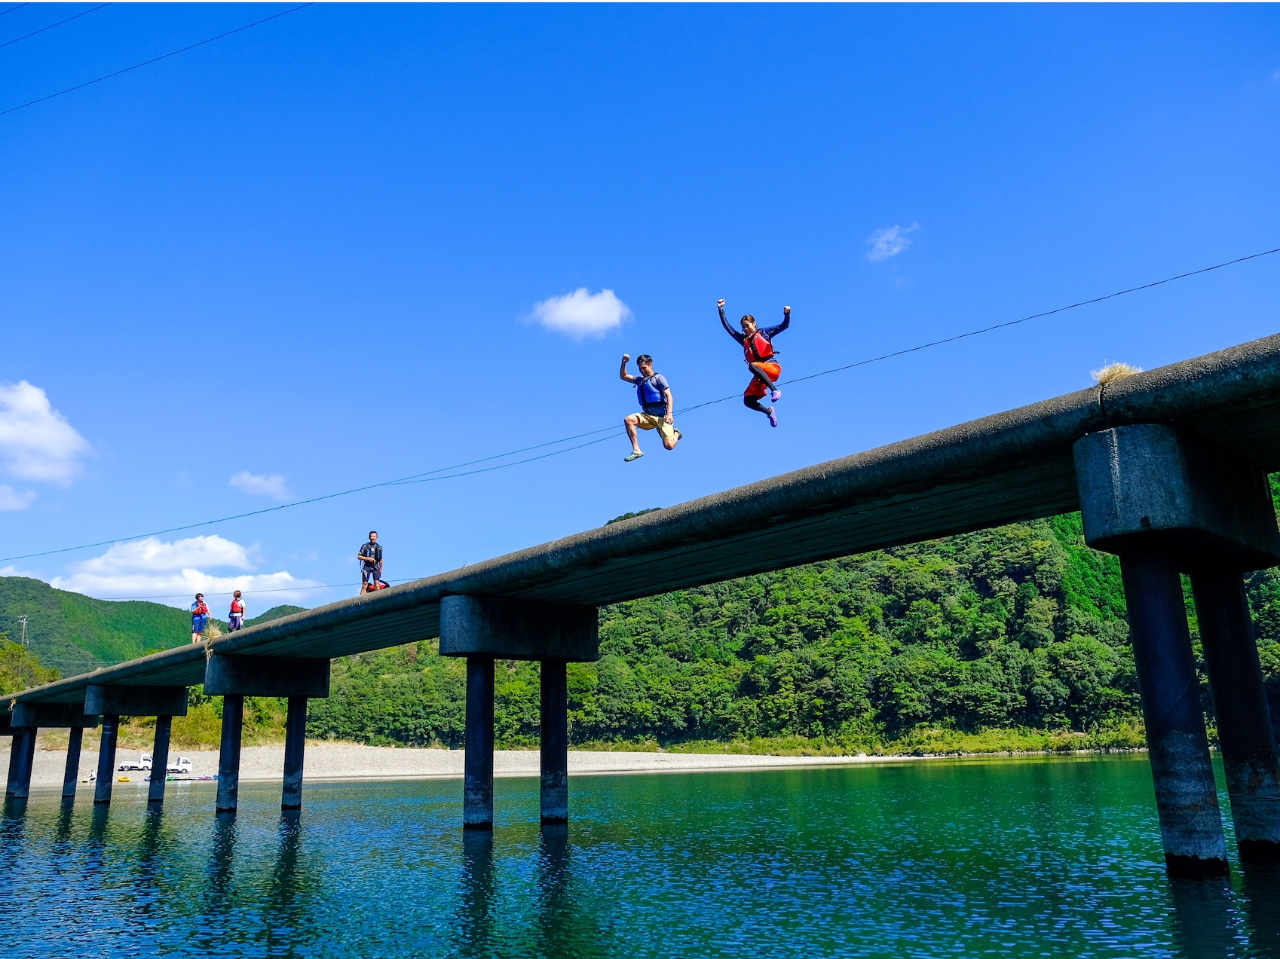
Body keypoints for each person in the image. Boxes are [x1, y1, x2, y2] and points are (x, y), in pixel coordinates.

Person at [718, 298, 791, 427]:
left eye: (747, 325)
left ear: (754, 324)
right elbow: (728, 328)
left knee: (752, 366)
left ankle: (775, 390)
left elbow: (784, 326)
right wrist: (721, 311)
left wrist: (787, 314)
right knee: (748, 400)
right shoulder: (743, 340)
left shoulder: (764, 333)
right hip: (759, 375)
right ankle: (769, 412)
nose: (745, 329)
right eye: (743, 327)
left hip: (772, 367)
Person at [620, 353, 681, 462]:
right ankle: (637, 450)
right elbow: (623, 376)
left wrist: (669, 413)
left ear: (650, 365)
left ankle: (676, 434)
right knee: (628, 419)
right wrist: (624, 363)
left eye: (644, 368)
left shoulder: (659, 378)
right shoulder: (639, 380)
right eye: (640, 368)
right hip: (648, 415)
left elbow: (669, 396)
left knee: (669, 446)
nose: (642, 371)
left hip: (662, 416)